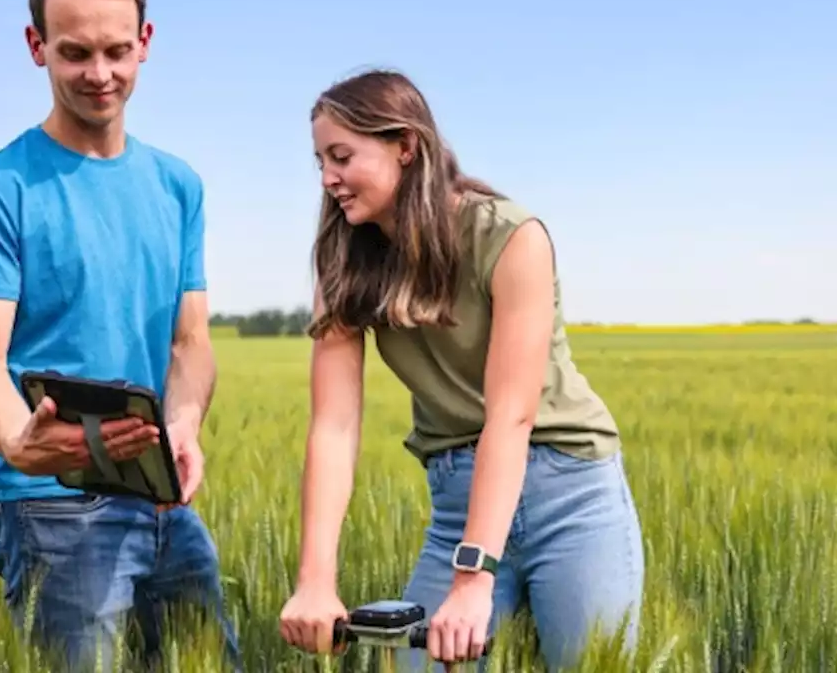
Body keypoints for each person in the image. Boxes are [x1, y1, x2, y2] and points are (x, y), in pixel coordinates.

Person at [277, 69, 646, 672]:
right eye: (319, 160)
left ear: (406, 145)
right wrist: (315, 580)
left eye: (342, 156)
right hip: (457, 504)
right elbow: (334, 428)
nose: (327, 179)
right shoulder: (343, 261)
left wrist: (475, 581)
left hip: (570, 498)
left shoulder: (510, 237)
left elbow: (512, 413)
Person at [0, 0, 239, 670]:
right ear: (36, 46)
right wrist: (18, 437)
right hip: (49, 504)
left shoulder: (178, 185)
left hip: (160, 496)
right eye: (74, 53)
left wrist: (184, 425)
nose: (99, 74)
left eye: (116, 50)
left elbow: (191, 343)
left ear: (145, 40)